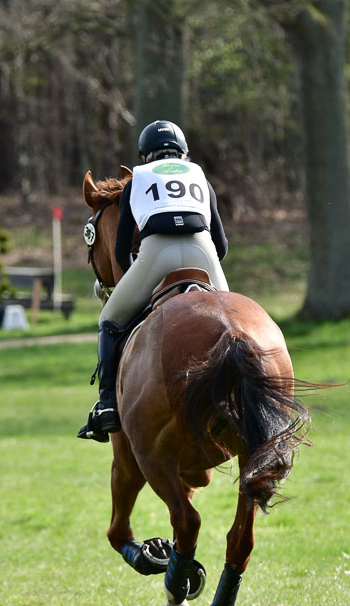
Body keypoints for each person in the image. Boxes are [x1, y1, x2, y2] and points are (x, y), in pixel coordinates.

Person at [78, 119, 229, 443]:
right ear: (183, 153)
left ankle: (107, 406)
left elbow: (120, 253)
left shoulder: (137, 179)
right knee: (234, 326)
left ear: (145, 157)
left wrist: (142, 282)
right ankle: (238, 397)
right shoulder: (200, 176)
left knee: (109, 320)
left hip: (155, 252)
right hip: (204, 253)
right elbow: (223, 246)